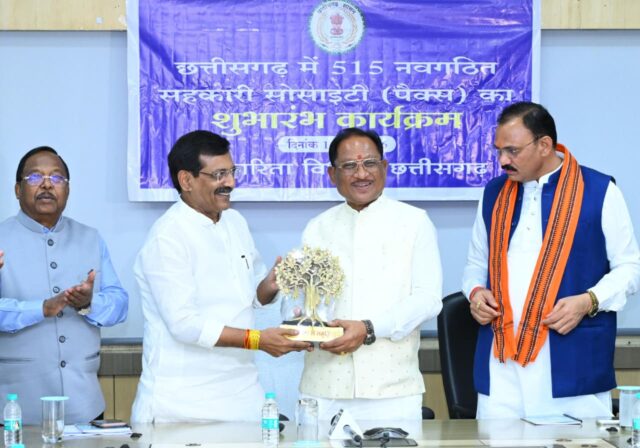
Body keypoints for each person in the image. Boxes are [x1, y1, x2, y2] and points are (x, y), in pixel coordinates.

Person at [462, 102, 640, 419]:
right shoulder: (493, 193)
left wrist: (588, 301)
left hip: (571, 361)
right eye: (499, 151)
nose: (503, 161)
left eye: (512, 151)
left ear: (544, 145)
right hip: (502, 365)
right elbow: (476, 264)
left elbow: (630, 268)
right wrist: (475, 293)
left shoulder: (599, 190)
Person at [131, 130, 312, 423]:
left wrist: (269, 285)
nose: (230, 183)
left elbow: (252, 295)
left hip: (243, 394)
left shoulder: (235, 222)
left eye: (231, 172)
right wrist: (258, 340)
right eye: (218, 175)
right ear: (186, 180)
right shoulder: (167, 237)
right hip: (182, 404)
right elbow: (185, 325)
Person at [296, 127, 443, 420]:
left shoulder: (414, 222)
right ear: (332, 174)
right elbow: (307, 301)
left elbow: (428, 300)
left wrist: (368, 328)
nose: (361, 174)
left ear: (384, 167)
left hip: (392, 389)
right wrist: (303, 322)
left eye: (370, 163)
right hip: (323, 386)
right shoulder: (317, 227)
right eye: (349, 165)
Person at [0, 146, 129, 424]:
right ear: (17, 189)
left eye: (57, 178)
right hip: (15, 408)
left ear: (67, 190)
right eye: (35, 177)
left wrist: (89, 303)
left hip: (83, 404)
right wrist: (41, 308)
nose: (47, 184)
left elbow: (120, 305)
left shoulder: (90, 237)